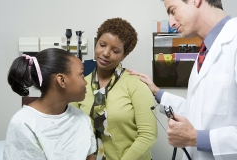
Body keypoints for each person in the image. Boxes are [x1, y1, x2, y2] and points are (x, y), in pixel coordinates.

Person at [128, 0, 237, 159]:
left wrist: (195, 138)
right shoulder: (205, 53)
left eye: (172, 11)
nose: (171, 23)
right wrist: (156, 91)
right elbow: (198, 111)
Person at [71, 17, 157, 160]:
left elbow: (148, 135)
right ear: (96, 43)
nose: (105, 53)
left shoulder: (136, 84)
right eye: (102, 44)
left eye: (115, 50)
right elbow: (74, 131)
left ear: (124, 55)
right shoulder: (80, 85)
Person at [4, 48, 96, 160]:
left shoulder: (82, 119)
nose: (85, 81)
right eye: (81, 74)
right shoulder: (23, 124)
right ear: (62, 80)